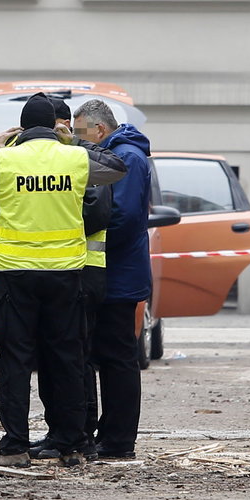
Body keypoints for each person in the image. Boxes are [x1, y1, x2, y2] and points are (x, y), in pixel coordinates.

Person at [0, 92, 127, 468]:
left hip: (17, 276)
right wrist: (72, 140)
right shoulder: (74, 157)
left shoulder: (7, 159)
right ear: (55, 126)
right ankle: (73, 444)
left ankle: (15, 446)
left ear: (23, 128)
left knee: (15, 362)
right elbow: (115, 166)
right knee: (67, 359)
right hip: (66, 275)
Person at [31, 99, 113, 461]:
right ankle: (59, 431)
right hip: (59, 269)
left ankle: (81, 435)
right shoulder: (58, 159)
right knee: (52, 359)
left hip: (84, 269)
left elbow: (96, 212)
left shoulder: (84, 159)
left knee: (76, 360)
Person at [72, 99, 152, 459]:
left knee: (118, 357)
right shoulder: (120, 155)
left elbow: (124, 217)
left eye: (80, 133)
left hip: (119, 274)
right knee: (106, 354)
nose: (77, 140)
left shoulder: (127, 159)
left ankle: (119, 440)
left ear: (99, 130)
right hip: (112, 272)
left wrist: (79, 234)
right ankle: (110, 433)